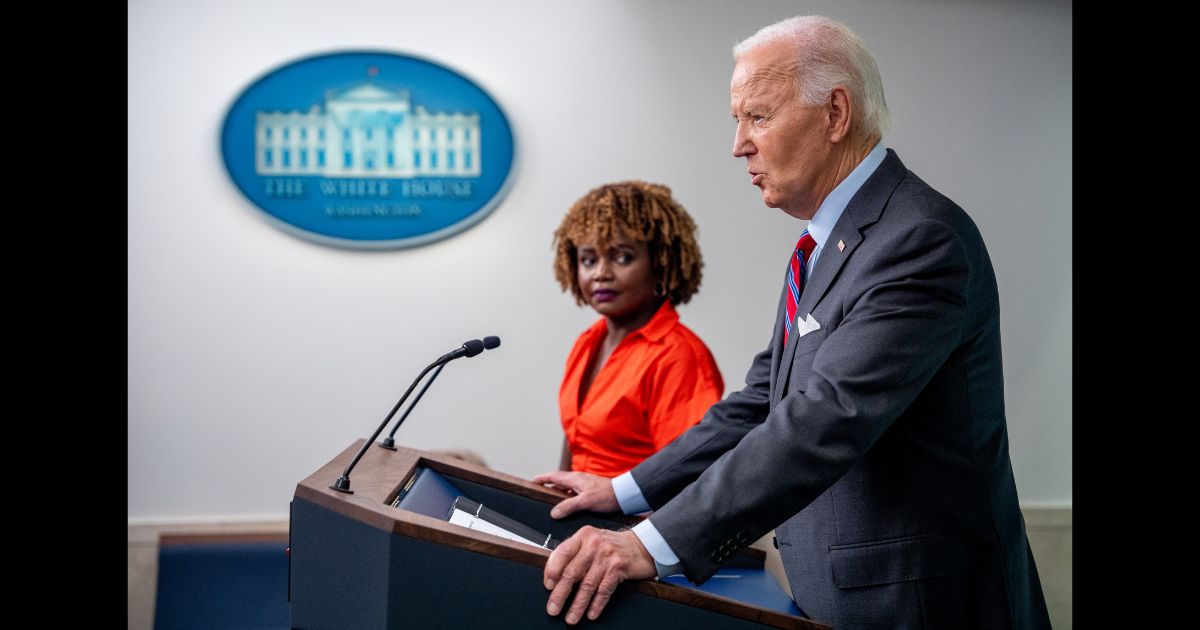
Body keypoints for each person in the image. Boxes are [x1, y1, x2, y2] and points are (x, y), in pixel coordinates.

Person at [532, 15, 1052, 629]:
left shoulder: (919, 238)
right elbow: (765, 400)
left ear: (835, 114)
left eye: (758, 116)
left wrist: (648, 543)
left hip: (920, 607)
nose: (739, 144)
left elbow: (824, 420)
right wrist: (625, 491)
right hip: (837, 597)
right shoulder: (823, 240)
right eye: (737, 121)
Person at [550, 181, 724, 477]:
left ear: (661, 263)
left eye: (622, 258)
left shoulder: (678, 355)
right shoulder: (589, 341)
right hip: (578, 516)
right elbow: (575, 445)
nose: (601, 274)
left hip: (632, 521)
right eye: (589, 260)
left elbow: (687, 479)